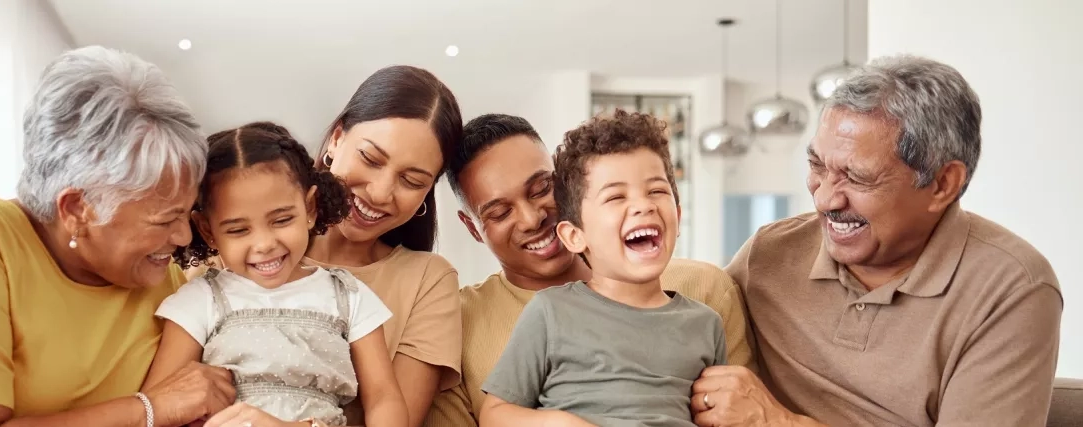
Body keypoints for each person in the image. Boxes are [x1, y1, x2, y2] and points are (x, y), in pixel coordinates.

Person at [0, 46, 235, 427]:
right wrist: (149, 409)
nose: (184, 235)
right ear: (76, 209)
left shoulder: (160, 280)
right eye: (163, 220)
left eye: (185, 213)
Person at [690, 55, 1063, 427]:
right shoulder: (770, 253)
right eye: (818, 166)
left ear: (942, 184)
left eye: (857, 177)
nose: (824, 200)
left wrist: (777, 422)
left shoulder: (1012, 288)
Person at [424, 113, 755, 427]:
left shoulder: (707, 296)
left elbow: (741, 412)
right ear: (472, 227)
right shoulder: (458, 321)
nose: (531, 219)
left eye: (541, 189)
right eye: (499, 213)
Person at [145, 122, 407, 427]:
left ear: (309, 208)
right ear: (208, 230)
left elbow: (384, 399)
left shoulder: (348, 296)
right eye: (239, 230)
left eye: (282, 220)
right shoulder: (199, 300)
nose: (265, 245)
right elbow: (159, 405)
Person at [304, 65, 464, 426]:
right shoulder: (243, 245)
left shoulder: (427, 281)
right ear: (337, 138)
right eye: (371, 159)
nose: (380, 193)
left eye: (411, 180)